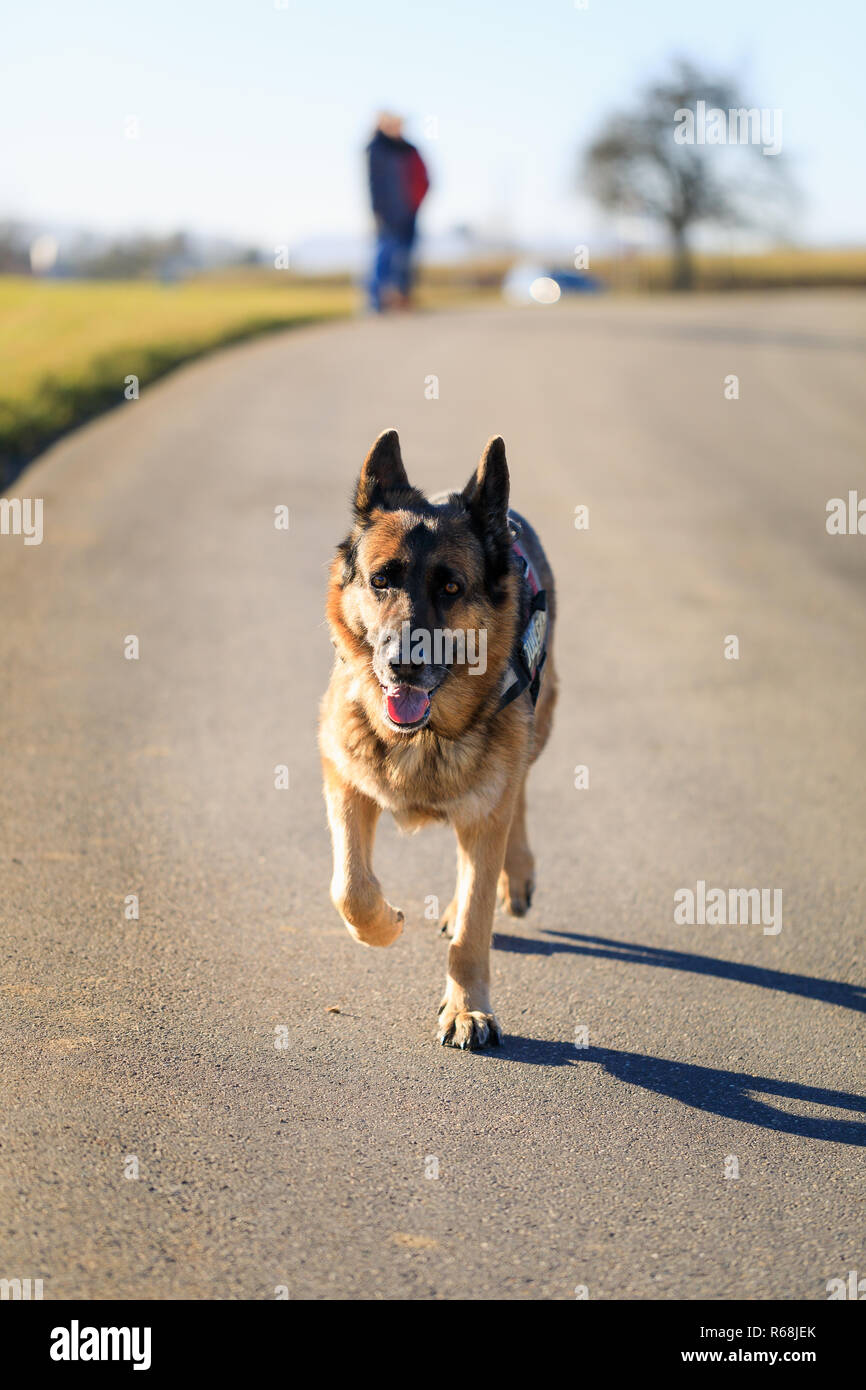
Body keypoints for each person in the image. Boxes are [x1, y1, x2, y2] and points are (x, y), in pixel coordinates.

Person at [366, 112, 429, 311]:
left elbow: (422, 179)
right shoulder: (377, 149)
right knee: (384, 256)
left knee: (405, 258)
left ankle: (402, 299)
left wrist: (415, 203)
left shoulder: (408, 150)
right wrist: (379, 211)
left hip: (409, 211)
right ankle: (376, 302)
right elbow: (376, 185)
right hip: (386, 213)